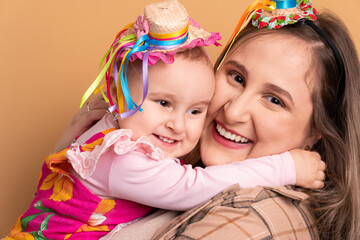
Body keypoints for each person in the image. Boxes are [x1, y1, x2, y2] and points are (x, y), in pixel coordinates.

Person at [5, 0, 325, 239]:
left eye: (195, 110)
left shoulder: (113, 129)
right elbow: (192, 187)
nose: (178, 124)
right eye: (163, 102)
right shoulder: (122, 156)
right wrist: (286, 166)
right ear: (119, 94)